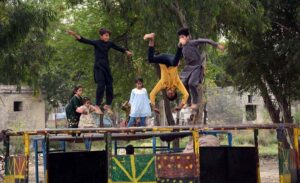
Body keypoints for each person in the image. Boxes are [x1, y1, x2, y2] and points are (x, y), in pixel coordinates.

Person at [67, 28, 133, 114]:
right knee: (101, 85)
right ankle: (97, 105)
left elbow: (118, 48)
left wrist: (126, 51)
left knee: (110, 86)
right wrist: (74, 34)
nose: (107, 37)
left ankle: (107, 105)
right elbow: (84, 40)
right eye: (106, 35)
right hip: (98, 68)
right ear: (101, 36)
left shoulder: (109, 43)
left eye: (108, 36)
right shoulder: (96, 43)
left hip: (106, 68)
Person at [177, 27, 224, 109]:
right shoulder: (181, 47)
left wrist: (217, 45)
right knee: (183, 84)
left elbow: (206, 40)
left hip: (196, 66)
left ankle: (195, 102)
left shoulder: (193, 43)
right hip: (188, 68)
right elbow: (179, 55)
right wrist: (177, 61)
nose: (181, 39)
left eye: (183, 37)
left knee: (191, 83)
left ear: (188, 37)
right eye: (180, 37)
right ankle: (188, 102)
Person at [143, 33, 189, 112]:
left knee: (150, 59)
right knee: (175, 63)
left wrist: (153, 107)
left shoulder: (162, 84)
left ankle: (151, 39)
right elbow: (186, 94)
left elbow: (152, 94)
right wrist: (181, 106)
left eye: (169, 95)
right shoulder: (177, 83)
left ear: (166, 93)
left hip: (162, 60)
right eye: (172, 95)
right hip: (171, 60)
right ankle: (180, 44)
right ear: (175, 92)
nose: (170, 93)